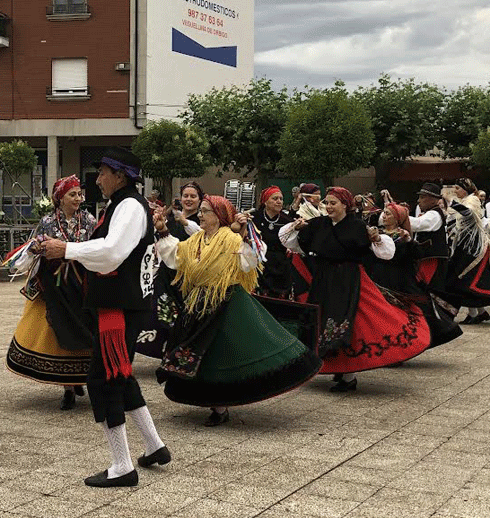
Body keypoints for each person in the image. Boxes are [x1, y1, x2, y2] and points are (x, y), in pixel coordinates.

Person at [41, 147, 169, 488]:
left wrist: (66, 250)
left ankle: (121, 466)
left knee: (103, 380)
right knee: (121, 375)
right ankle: (154, 446)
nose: (97, 180)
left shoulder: (128, 205)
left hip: (119, 308)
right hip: (120, 305)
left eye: (103, 173)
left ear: (121, 176)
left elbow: (112, 253)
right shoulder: (122, 205)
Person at [153, 195, 318, 426]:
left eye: (205, 211)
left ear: (219, 216)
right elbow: (176, 257)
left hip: (225, 301)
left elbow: (250, 263)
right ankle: (211, 401)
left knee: (221, 353)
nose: (200, 215)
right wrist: (162, 231)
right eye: (200, 211)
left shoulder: (230, 239)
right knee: (202, 353)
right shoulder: (197, 239)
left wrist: (242, 237)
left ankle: (220, 407)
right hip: (199, 301)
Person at [280, 186, 431, 392]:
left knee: (352, 322)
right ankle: (339, 370)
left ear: (345, 204)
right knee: (322, 321)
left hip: (349, 279)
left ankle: (348, 377)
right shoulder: (318, 224)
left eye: (333, 203)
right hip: (323, 280)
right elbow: (291, 241)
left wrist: (376, 238)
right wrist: (295, 228)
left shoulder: (357, 226)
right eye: (327, 203)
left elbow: (384, 252)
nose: (329, 206)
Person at [6, 175, 97, 410]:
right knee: (58, 329)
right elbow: (33, 246)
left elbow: (96, 246)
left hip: (80, 283)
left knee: (84, 328)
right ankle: (67, 387)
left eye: (79, 194)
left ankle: (81, 379)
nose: (78, 198)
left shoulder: (88, 220)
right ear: (60, 198)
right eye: (72, 194)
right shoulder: (47, 222)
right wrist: (37, 247)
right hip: (54, 284)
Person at [365, 202, 462, 350]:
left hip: (399, 281)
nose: (384, 216)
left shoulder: (404, 236)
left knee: (402, 315)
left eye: (388, 213)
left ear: (398, 218)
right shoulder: (377, 235)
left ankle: (402, 346)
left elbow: (416, 255)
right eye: (384, 213)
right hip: (379, 278)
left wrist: (408, 241)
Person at [136, 181, 203, 360]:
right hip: (167, 276)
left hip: (188, 277)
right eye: (185, 196)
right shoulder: (171, 219)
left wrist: (185, 221)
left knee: (185, 317)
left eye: (193, 196)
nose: (188, 199)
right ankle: (166, 350)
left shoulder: (201, 221)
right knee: (162, 314)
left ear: (199, 199)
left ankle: (181, 352)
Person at [435, 178, 490, 324]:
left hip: (473, 248)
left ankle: (475, 313)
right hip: (463, 245)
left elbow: (469, 215)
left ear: (465, 189)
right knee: (463, 280)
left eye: (458, 188)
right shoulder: (464, 201)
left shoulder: (472, 200)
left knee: (463, 279)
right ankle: (479, 313)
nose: (455, 191)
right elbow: (456, 221)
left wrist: (452, 202)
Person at [247, 186, 295, 299]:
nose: (279, 201)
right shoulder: (254, 218)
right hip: (260, 265)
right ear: (265, 201)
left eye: (281, 199)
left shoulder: (287, 221)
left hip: (281, 266)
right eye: (275, 198)